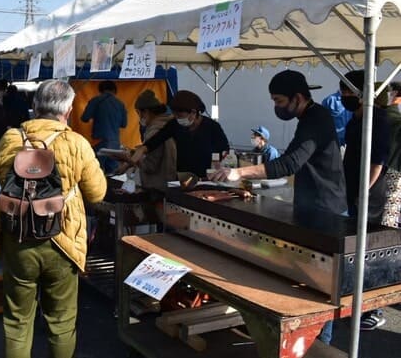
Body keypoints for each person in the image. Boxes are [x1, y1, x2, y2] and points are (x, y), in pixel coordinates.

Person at [0, 79, 107, 358]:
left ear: (34, 106)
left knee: (17, 321)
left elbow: (3, 178)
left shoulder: (11, 137)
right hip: (63, 238)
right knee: (61, 323)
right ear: (67, 110)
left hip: (18, 234)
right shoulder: (76, 142)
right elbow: (97, 193)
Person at [210, 70, 347, 215]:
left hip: (326, 208)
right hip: (312, 204)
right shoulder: (309, 117)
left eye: (279, 101)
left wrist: (239, 172)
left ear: (298, 98)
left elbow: (289, 163)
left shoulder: (316, 119)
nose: (276, 106)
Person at [341, 70, 391, 331]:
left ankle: (374, 308)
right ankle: (357, 303)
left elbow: (377, 162)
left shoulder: (378, 119)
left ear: (363, 93)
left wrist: (364, 190)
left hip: (370, 197)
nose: (344, 96)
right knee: (355, 250)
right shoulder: (355, 119)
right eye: (343, 90)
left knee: (370, 252)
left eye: (349, 91)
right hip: (353, 192)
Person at [131, 90, 229, 178]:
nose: (177, 118)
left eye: (179, 115)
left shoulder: (212, 127)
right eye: (174, 114)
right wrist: (143, 149)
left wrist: (219, 166)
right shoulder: (174, 124)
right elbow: (157, 139)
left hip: (207, 177)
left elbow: (225, 150)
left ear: (193, 112)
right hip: (182, 176)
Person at [134, 90, 177, 199]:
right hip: (169, 182)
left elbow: (150, 165)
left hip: (156, 188)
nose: (139, 117)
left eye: (139, 113)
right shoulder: (169, 125)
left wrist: (133, 158)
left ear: (146, 112)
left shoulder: (154, 131)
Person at [80, 80, 128, 174]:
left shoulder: (95, 101)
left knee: (96, 173)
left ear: (100, 90)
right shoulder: (120, 104)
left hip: (99, 142)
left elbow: (84, 118)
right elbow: (124, 124)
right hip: (115, 143)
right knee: (113, 174)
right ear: (114, 90)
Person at [385, 82, 401, 227]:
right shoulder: (392, 115)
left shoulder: (389, 114)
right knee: (390, 210)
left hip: (390, 167)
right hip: (393, 167)